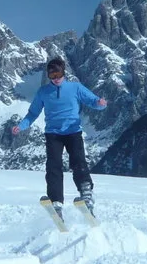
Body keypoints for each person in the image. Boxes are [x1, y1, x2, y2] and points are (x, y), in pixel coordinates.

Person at [11, 57, 107, 214]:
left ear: (64, 73)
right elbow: (33, 113)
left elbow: (93, 101)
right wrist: (21, 126)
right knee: (53, 165)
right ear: (48, 75)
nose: (56, 79)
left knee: (78, 161)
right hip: (53, 134)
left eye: (59, 75)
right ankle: (56, 200)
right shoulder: (43, 92)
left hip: (73, 131)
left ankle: (86, 192)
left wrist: (100, 104)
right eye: (52, 76)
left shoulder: (75, 87)